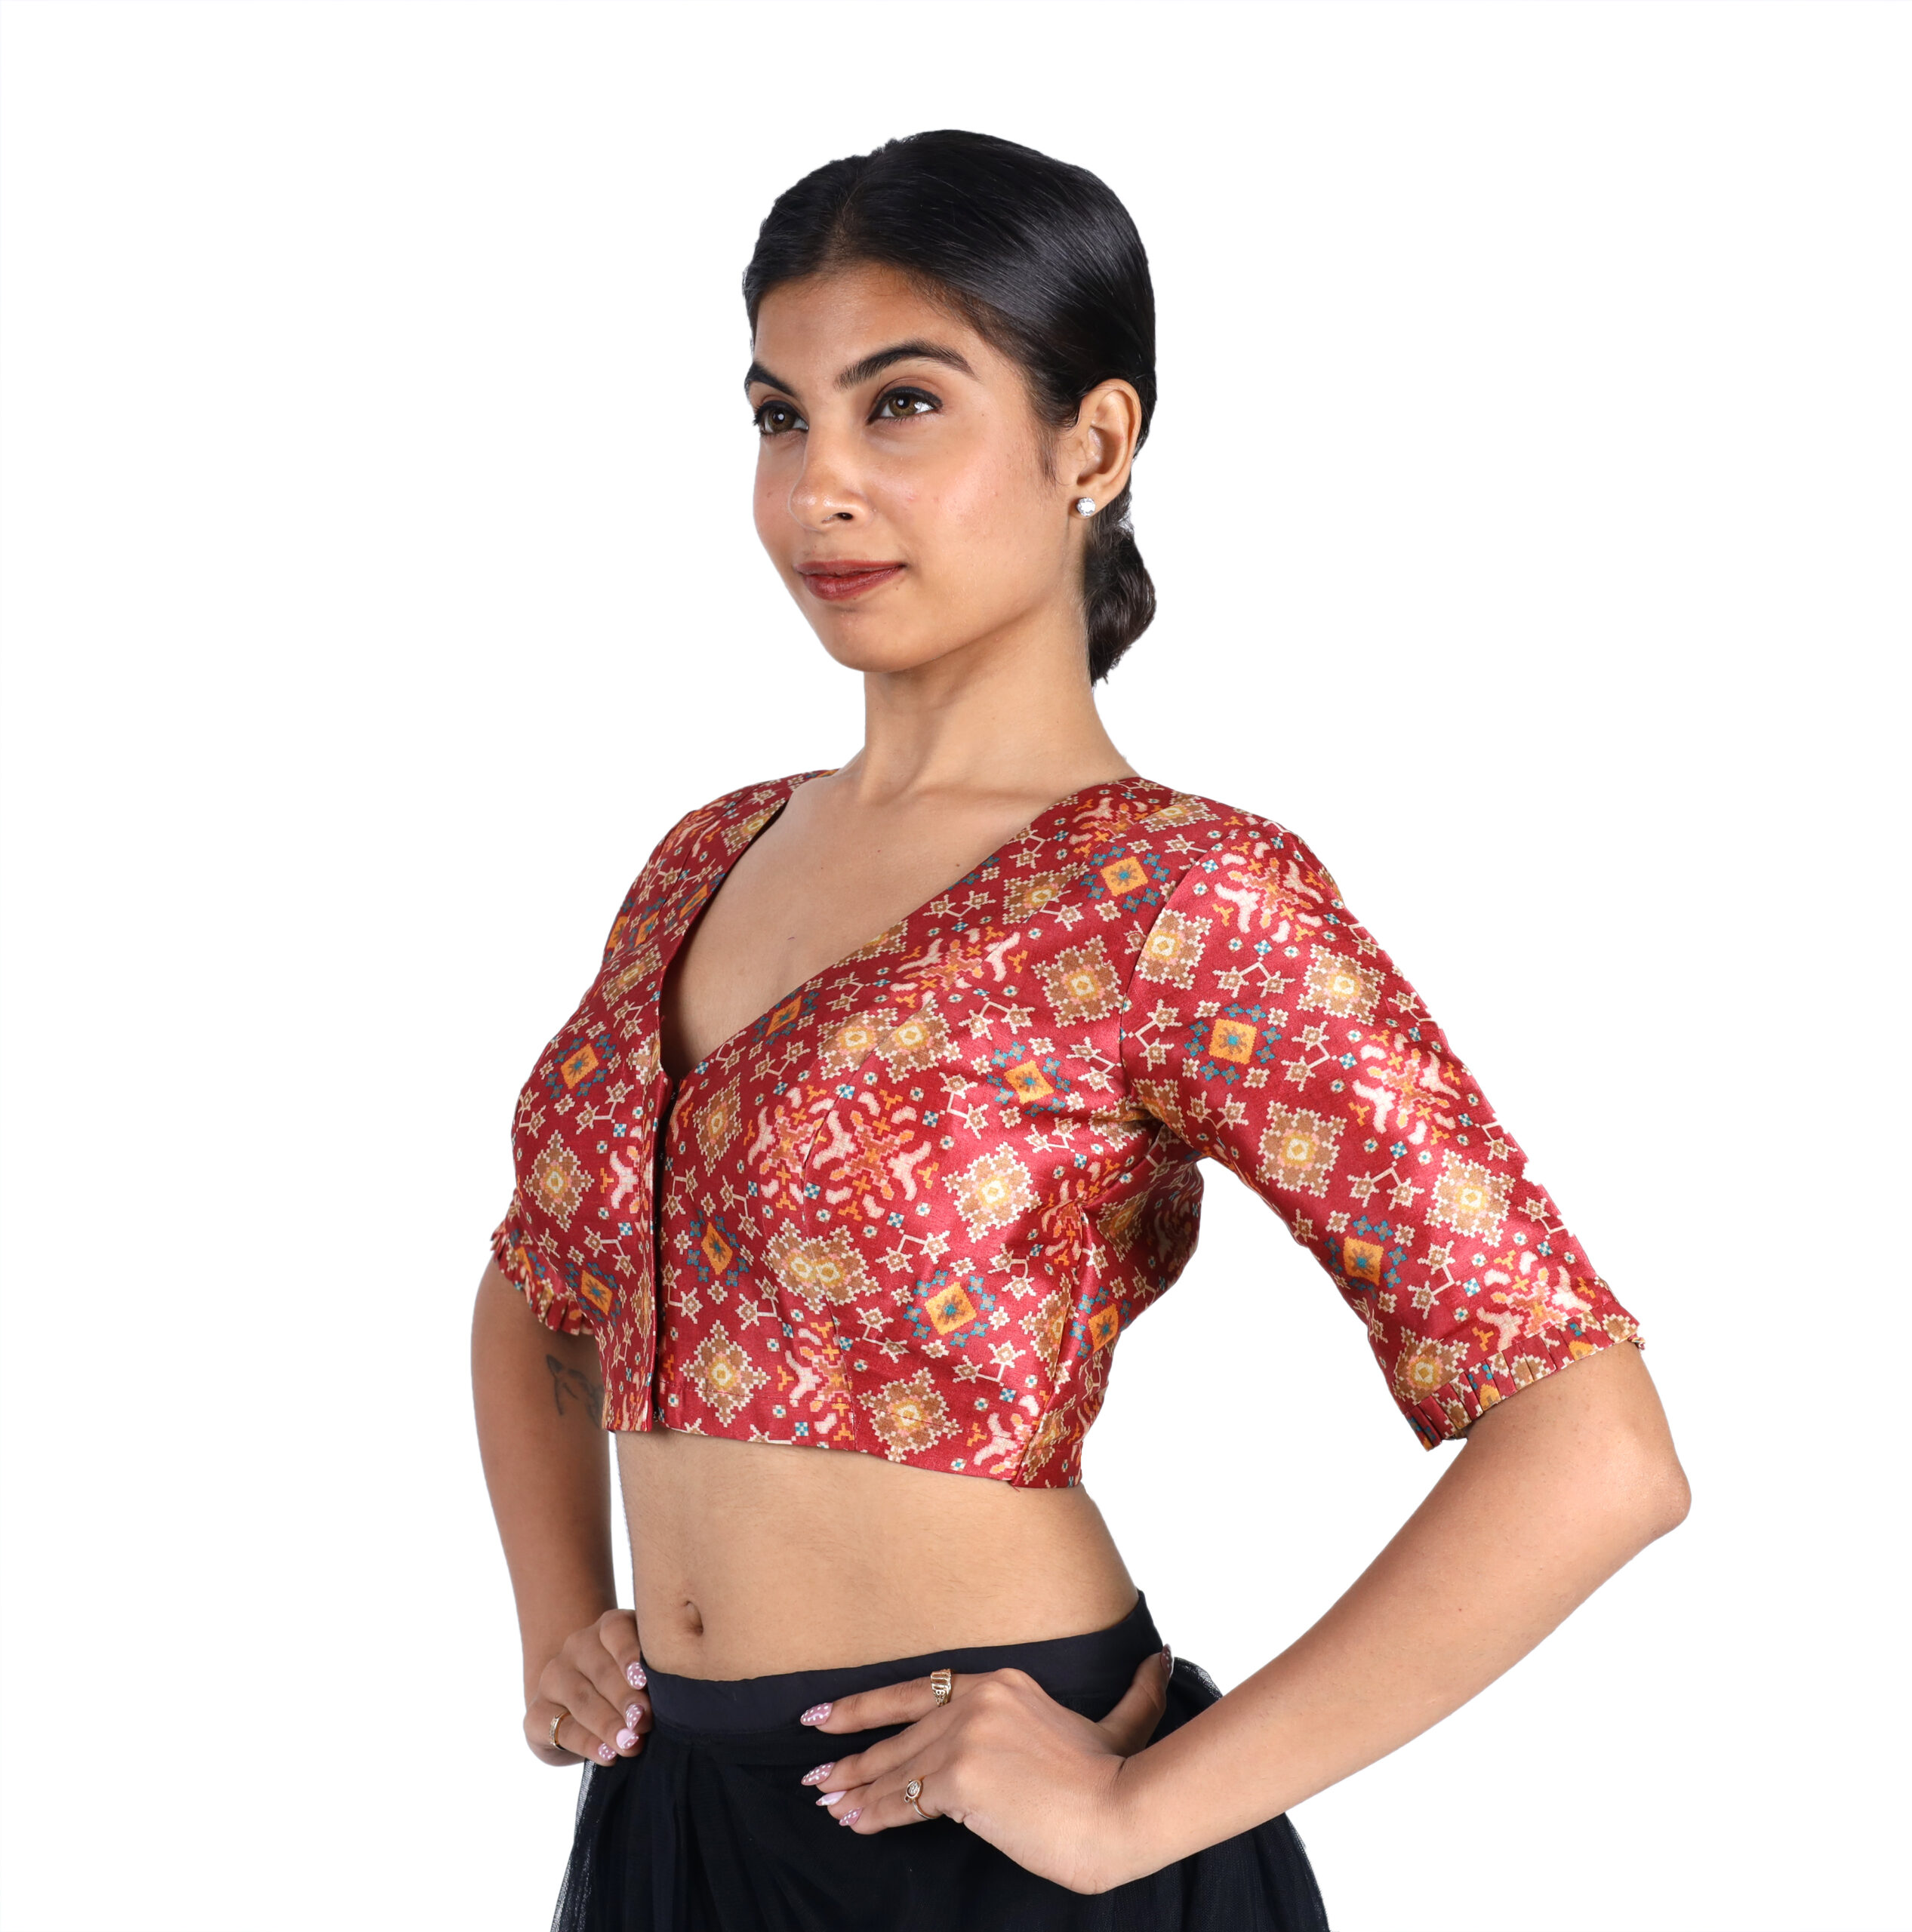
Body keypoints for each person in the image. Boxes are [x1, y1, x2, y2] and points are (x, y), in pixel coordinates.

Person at [471, 129, 1689, 1932]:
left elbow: (1591, 1445)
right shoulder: (704, 855)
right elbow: (542, 1287)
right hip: (672, 1819)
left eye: (900, 404)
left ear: (1093, 445)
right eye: (779, 415)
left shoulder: (1179, 895)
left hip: (1001, 1843)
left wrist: (1135, 1811)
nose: (819, 483)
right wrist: (557, 1607)